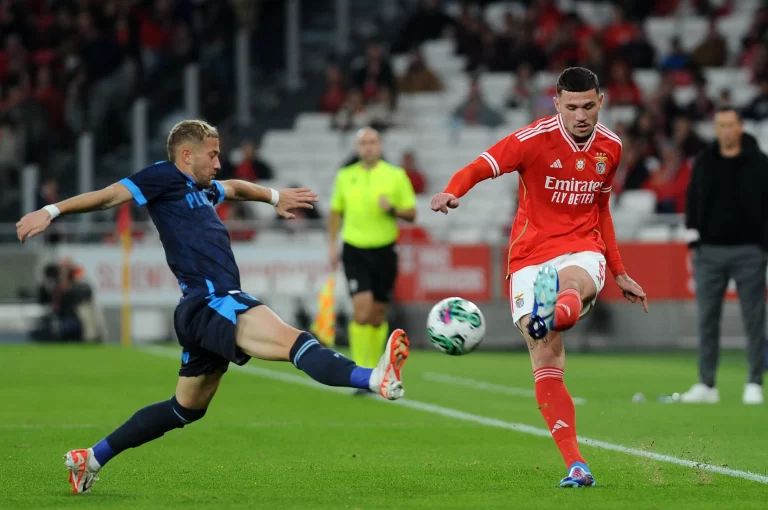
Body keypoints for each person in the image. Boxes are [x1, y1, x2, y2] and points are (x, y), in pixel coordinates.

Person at [15, 119, 411, 494]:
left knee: (186, 409)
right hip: (214, 300)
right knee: (295, 342)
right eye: (213, 155)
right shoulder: (163, 177)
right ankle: (372, 378)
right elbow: (107, 197)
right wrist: (50, 211)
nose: (219, 163)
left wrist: (275, 197)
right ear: (187, 156)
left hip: (200, 309)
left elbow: (236, 188)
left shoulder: (203, 190)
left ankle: (91, 459)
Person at [430, 67, 648, 488]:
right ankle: (576, 465)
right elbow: (482, 165)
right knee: (547, 361)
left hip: (583, 245)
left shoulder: (612, 147)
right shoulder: (532, 140)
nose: (581, 115)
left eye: (588, 106)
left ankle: (553, 308)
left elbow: (602, 210)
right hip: (529, 255)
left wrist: (618, 271)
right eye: (572, 107)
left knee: (572, 285)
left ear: (600, 101)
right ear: (557, 104)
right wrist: (453, 190)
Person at [681, 106, 768, 405]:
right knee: (707, 319)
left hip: (750, 251)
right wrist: (693, 239)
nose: (725, 131)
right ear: (716, 128)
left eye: (730, 125)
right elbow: (692, 198)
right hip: (710, 252)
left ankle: (754, 382)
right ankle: (707, 385)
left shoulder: (759, 163)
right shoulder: (704, 161)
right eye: (720, 125)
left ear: (740, 127)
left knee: (754, 318)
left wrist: (763, 247)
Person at [328, 127, 416, 375]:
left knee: (377, 315)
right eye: (364, 142)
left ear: (380, 146)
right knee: (362, 310)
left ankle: (376, 365)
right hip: (355, 249)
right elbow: (336, 212)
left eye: (373, 142)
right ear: (357, 148)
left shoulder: (395, 175)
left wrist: (393, 209)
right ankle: (360, 367)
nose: (368, 146)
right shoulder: (345, 176)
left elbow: (411, 213)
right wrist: (332, 245)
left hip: (385, 251)